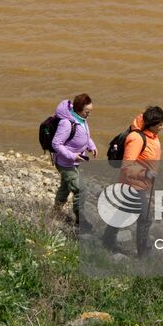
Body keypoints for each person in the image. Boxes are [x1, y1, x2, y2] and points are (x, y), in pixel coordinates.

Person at [103, 105, 163, 256]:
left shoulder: (151, 135)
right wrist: (146, 173)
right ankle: (145, 256)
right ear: (151, 124)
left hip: (139, 183)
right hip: (132, 184)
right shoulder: (136, 139)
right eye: (160, 124)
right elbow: (126, 166)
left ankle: (107, 240)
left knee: (123, 212)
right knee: (145, 219)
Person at [49, 93, 98, 231]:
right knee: (80, 189)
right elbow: (56, 144)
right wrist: (72, 155)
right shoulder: (66, 123)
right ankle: (80, 221)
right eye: (87, 112)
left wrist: (91, 146)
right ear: (78, 109)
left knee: (65, 187)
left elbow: (84, 135)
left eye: (90, 112)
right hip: (65, 163)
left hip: (73, 162)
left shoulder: (81, 119)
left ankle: (56, 211)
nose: (89, 115)